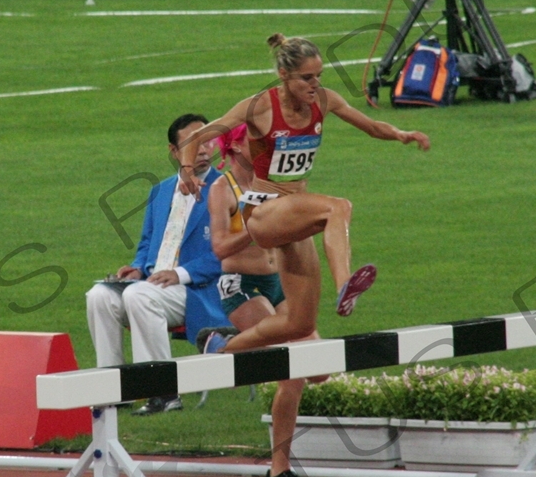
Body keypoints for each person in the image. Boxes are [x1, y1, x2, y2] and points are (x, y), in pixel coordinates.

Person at [178, 35, 430, 355]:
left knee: (300, 324)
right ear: (284, 75)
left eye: (319, 76)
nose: (315, 85)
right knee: (337, 208)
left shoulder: (324, 100)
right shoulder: (260, 107)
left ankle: (223, 350)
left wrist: (401, 134)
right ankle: (345, 285)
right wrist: (187, 170)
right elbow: (199, 136)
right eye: (307, 78)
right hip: (263, 212)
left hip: (293, 215)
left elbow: (370, 126)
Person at [85, 113, 226, 415]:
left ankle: (163, 392)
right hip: (153, 284)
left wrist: (179, 273)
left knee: (138, 295)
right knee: (99, 295)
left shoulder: (226, 189)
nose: (203, 149)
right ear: (174, 152)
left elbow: (227, 254)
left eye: (207, 140)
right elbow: (148, 242)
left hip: (199, 290)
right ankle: (115, 388)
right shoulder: (160, 191)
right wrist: (137, 267)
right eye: (192, 144)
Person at [205, 122, 320, 477]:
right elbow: (220, 249)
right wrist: (257, 230)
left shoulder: (272, 183)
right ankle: (279, 470)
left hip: (279, 284)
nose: (260, 145)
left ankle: (226, 346)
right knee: (292, 371)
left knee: (320, 370)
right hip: (242, 285)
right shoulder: (223, 189)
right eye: (251, 140)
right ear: (233, 146)